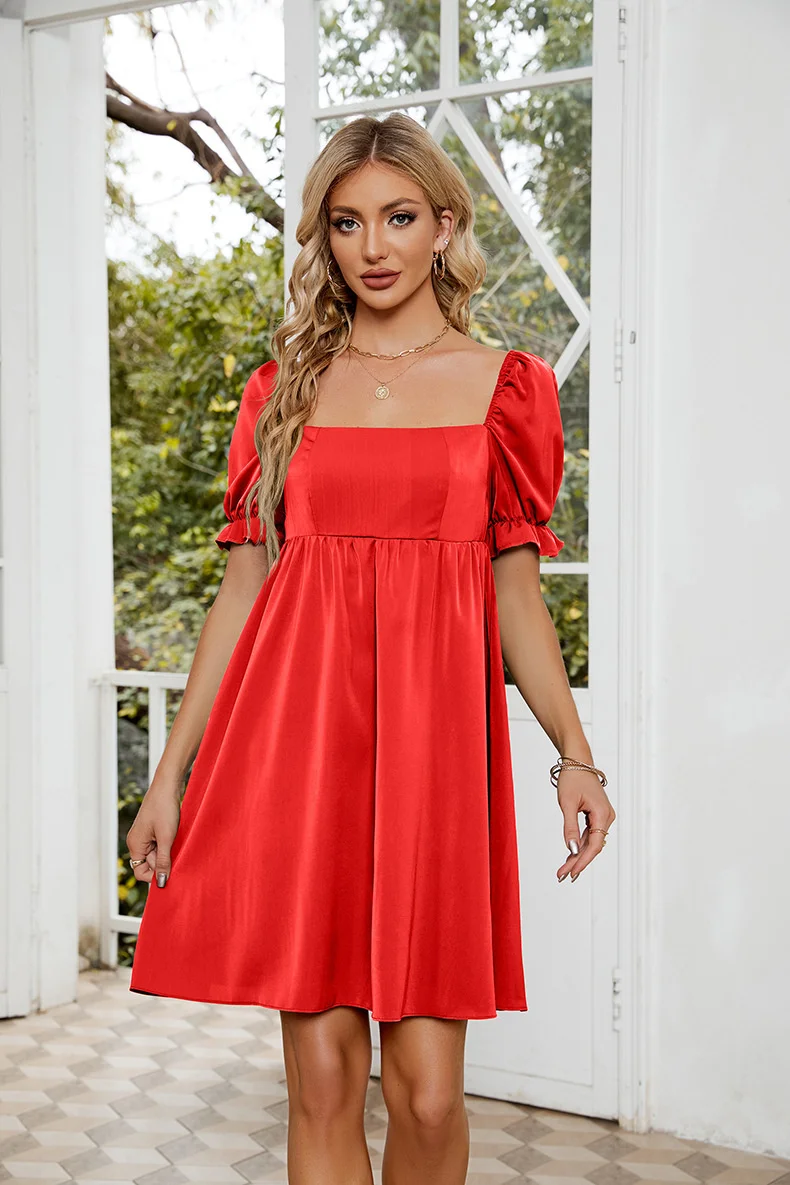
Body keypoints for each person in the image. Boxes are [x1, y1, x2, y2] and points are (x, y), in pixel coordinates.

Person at [126, 111, 616, 1185]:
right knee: (322, 1081)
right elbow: (242, 590)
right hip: (299, 752)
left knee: (430, 1097)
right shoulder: (283, 391)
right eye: (346, 223)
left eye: (398, 217)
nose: (373, 247)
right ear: (325, 238)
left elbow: (515, 598)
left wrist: (575, 757)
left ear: (444, 224)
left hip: (435, 758)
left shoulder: (507, 389)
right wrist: (171, 777)